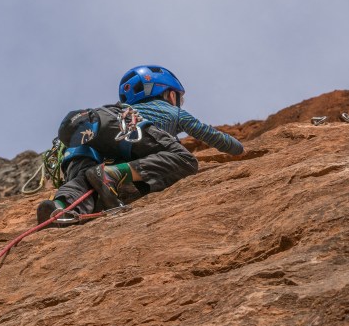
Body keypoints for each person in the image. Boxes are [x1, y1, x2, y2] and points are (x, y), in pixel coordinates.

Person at [37, 65, 244, 224]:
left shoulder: (115, 109)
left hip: (83, 143)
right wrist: (239, 148)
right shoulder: (169, 110)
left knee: (86, 179)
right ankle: (112, 175)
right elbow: (207, 133)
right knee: (185, 160)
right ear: (170, 94)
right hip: (129, 131)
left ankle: (60, 208)